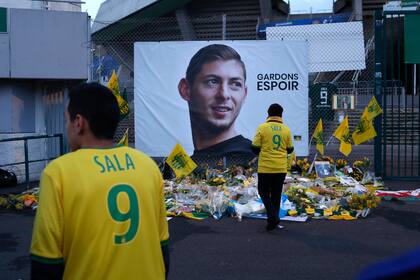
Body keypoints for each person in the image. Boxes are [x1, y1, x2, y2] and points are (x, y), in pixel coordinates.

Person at [30, 83, 169, 279]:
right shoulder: (147, 166)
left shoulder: (58, 172)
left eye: (67, 120)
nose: (67, 126)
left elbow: (45, 263)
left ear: (79, 122)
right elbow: (163, 247)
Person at [178, 44, 254, 161]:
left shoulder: (253, 159)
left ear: (244, 94)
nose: (224, 95)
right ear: (186, 89)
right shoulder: (183, 165)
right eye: (212, 81)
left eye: (235, 84)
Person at [251, 103, 294, 231]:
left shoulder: (262, 128)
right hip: (280, 168)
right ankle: (272, 222)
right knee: (276, 194)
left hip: (265, 167)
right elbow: (290, 149)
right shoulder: (286, 129)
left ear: (268, 114)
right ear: (281, 115)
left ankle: (273, 216)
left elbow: (254, 147)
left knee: (263, 192)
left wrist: (262, 152)